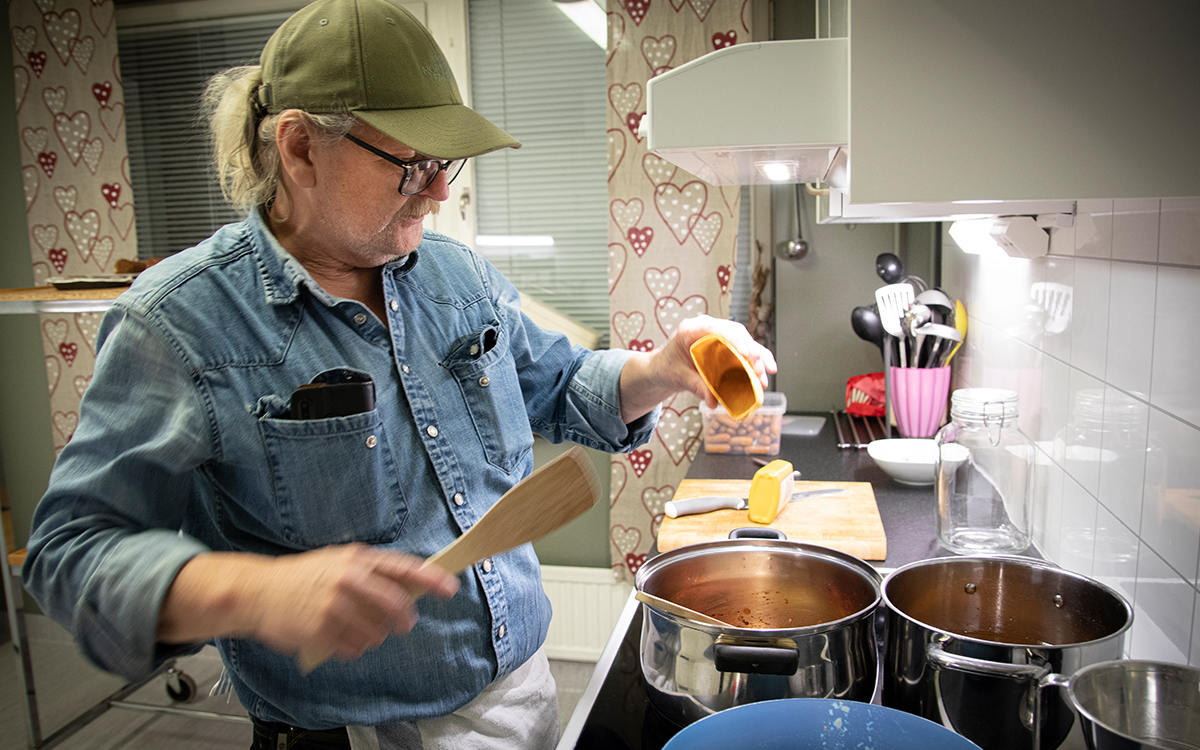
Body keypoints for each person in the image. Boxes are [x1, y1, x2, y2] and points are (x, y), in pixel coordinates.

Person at [21, 1, 777, 749]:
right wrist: (249, 592)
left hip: (521, 695)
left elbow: (557, 384)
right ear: (300, 149)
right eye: (413, 163)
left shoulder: (456, 275)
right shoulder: (180, 323)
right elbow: (73, 552)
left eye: (445, 162)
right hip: (347, 732)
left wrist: (660, 369)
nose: (442, 191)